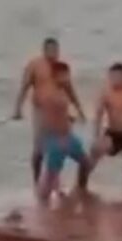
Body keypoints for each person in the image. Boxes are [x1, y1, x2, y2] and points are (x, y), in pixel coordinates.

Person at [12, 38, 86, 184]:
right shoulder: (34, 65)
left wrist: (79, 109)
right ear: (44, 50)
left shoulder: (60, 68)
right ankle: (37, 179)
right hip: (41, 110)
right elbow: (24, 87)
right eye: (50, 50)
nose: (53, 53)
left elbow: (70, 90)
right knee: (39, 147)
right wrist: (18, 109)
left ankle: (54, 180)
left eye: (56, 50)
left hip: (59, 110)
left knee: (61, 145)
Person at [36, 62, 90, 204]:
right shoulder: (49, 95)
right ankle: (42, 203)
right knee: (50, 176)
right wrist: (49, 141)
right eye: (65, 75)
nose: (68, 78)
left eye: (68, 75)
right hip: (56, 139)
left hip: (68, 136)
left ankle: (80, 189)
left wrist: (72, 118)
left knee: (85, 162)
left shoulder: (62, 91)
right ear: (56, 76)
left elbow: (60, 114)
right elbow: (45, 120)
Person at [85, 63, 122, 193]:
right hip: (114, 133)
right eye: (111, 77)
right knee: (96, 149)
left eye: (117, 77)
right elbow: (98, 116)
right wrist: (96, 136)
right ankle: (82, 182)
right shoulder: (106, 93)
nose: (114, 80)